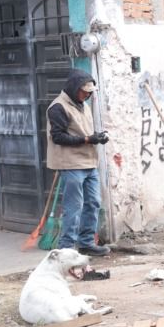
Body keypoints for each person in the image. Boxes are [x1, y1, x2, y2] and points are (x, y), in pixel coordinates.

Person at [46, 69, 111, 256]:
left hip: (89, 162)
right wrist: (88, 139)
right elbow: (58, 137)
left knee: (93, 203)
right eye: (84, 92)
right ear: (74, 88)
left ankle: (86, 243)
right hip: (71, 164)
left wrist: (97, 137)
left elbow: (83, 131)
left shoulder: (84, 105)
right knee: (74, 207)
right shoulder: (58, 107)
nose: (87, 95)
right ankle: (66, 248)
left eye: (89, 93)